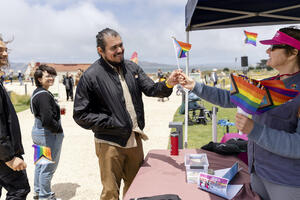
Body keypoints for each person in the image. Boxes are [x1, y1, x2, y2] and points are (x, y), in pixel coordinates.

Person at [178, 26, 300, 200]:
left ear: (293, 52)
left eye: (274, 47)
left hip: (287, 182)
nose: (268, 50)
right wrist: (194, 86)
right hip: (259, 174)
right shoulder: (268, 84)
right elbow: (229, 98)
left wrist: (254, 130)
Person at [73, 28, 179, 200]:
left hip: (134, 140)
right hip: (108, 143)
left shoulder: (132, 68)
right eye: (113, 47)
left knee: (136, 188)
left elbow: (152, 89)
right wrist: (112, 122)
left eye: (121, 45)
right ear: (100, 50)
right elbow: (80, 114)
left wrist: (168, 84)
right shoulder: (91, 76)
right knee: (110, 193)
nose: (120, 50)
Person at [0, 35, 30, 199]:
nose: (5, 54)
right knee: (19, 190)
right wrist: (9, 157)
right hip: (3, 155)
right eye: (0, 50)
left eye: (5, 50)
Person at [31, 64, 64, 200]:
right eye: (47, 76)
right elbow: (47, 120)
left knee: (41, 164)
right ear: (39, 79)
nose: (51, 78)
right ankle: (45, 196)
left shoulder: (37, 92)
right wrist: (58, 129)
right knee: (48, 167)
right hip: (47, 134)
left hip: (38, 132)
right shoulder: (44, 95)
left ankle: (38, 192)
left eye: (52, 75)